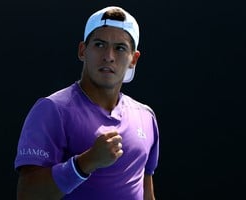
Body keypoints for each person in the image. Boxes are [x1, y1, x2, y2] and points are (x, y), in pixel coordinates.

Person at [14, 6, 160, 200]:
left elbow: (145, 191)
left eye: (120, 48)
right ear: (83, 50)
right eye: (100, 45)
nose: (109, 56)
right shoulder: (51, 110)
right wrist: (86, 162)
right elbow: (27, 195)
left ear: (133, 59)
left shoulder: (146, 117)